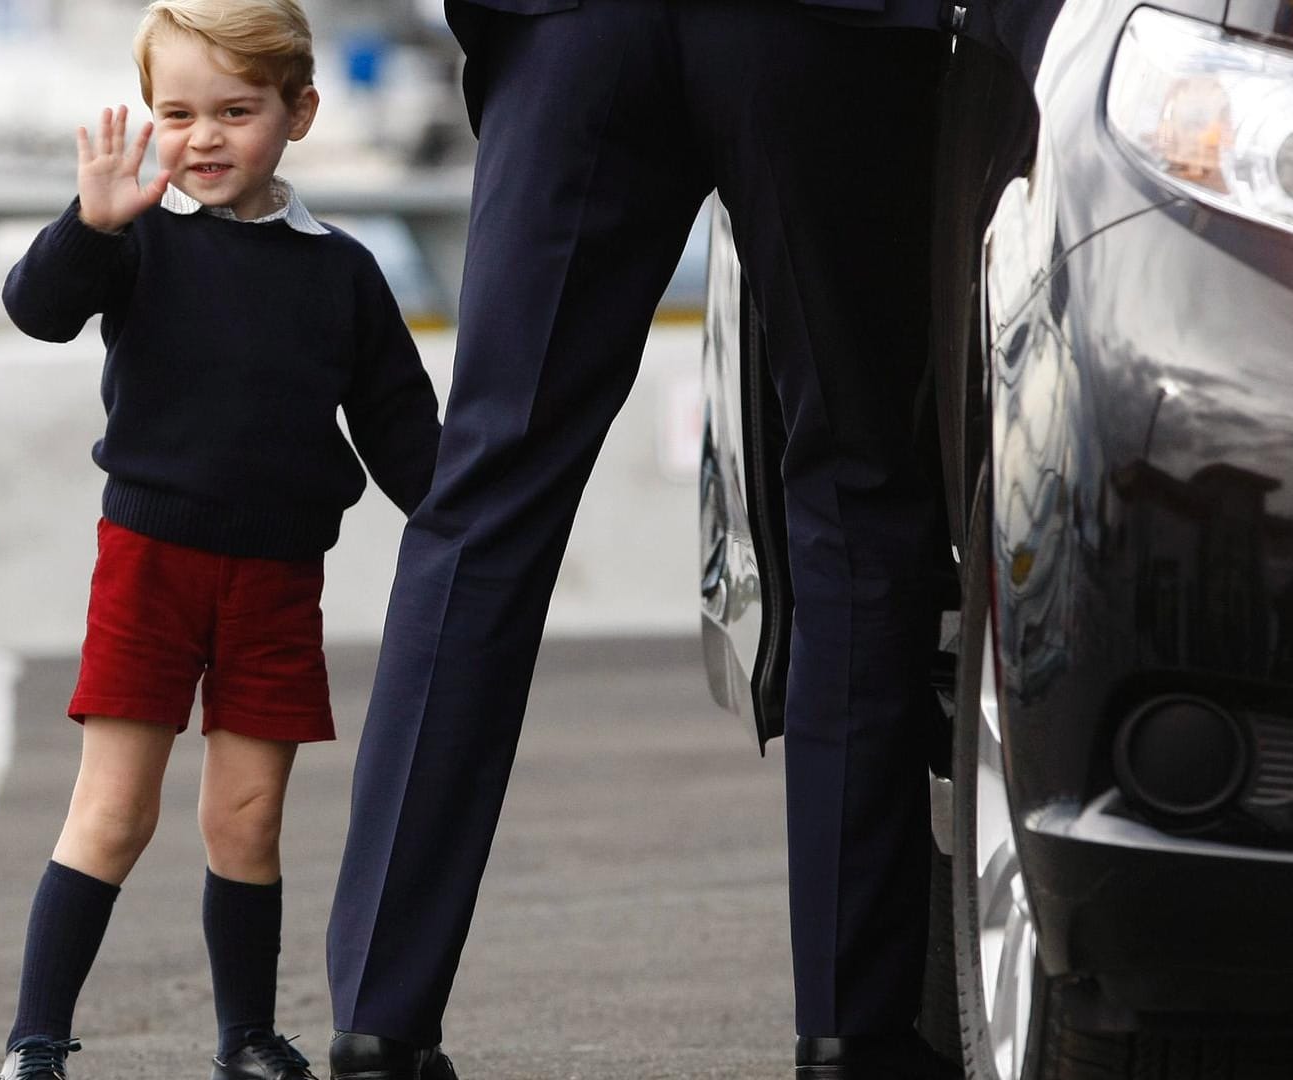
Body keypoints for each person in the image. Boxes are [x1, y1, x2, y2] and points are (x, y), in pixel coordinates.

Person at [324, 1, 961, 1078]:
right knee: (858, 493)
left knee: (484, 503)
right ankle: (853, 1031)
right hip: (822, 30)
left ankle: (378, 1023)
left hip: (575, 25)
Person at [0, 2, 442, 1078]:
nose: (203, 137)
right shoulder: (134, 236)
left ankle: (244, 1039)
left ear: (300, 112)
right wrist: (89, 226)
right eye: (178, 112)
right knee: (114, 812)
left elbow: (402, 433)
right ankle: (34, 1046)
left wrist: (477, 522)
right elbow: (37, 309)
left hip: (279, 578)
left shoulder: (341, 271)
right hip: (150, 566)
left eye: (236, 111)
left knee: (246, 820)